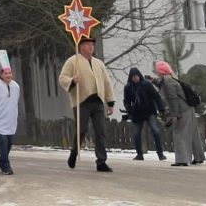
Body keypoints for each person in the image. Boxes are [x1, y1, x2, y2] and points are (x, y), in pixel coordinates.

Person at [58, 36, 116, 172]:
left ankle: (101, 161)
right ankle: (74, 152)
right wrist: (72, 80)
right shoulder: (73, 61)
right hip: (82, 101)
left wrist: (110, 102)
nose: (91, 47)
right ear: (81, 46)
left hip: (97, 101)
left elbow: (106, 82)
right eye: (88, 44)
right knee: (82, 130)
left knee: (101, 131)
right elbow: (62, 78)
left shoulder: (99, 63)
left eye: (92, 45)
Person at [155, 61, 206, 167]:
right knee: (193, 134)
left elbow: (173, 100)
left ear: (160, 71)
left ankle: (182, 160)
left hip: (181, 111)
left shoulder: (168, 82)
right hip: (188, 109)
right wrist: (153, 81)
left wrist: (174, 115)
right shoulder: (170, 79)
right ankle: (198, 157)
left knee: (179, 134)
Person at [123, 67, 167, 161]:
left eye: (136, 76)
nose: (135, 78)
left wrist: (161, 109)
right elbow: (126, 101)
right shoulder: (128, 88)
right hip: (137, 113)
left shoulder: (146, 85)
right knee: (137, 134)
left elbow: (156, 96)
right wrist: (129, 110)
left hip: (149, 110)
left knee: (155, 130)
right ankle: (139, 154)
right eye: (133, 77)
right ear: (131, 78)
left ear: (139, 76)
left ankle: (160, 153)